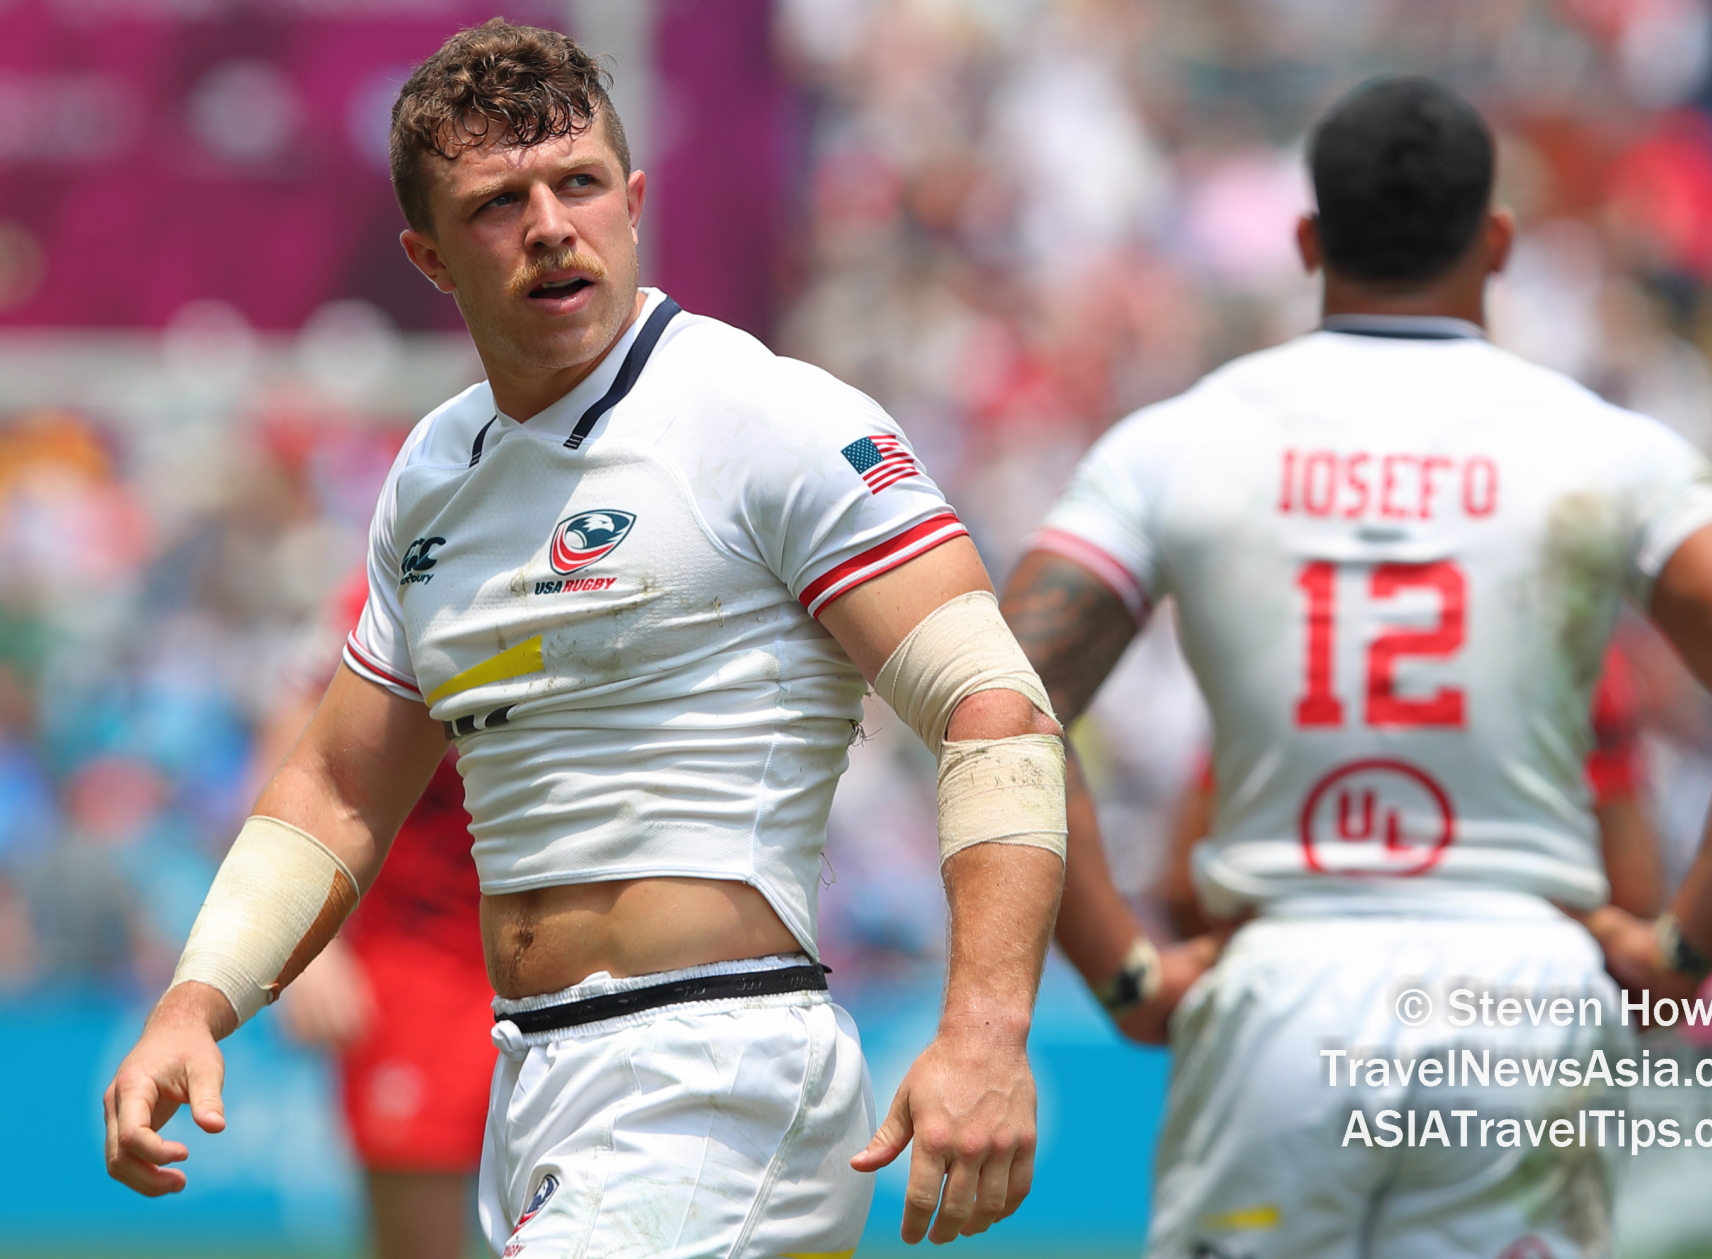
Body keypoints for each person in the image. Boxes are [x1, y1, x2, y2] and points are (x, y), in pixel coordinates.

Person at [103, 21, 1068, 1258]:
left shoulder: (764, 417)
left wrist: (985, 1033)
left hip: (715, 1066)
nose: (552, 223)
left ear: (636, 199)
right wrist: (199, 998)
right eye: (498, 202)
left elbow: (995, 710)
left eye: (580, 183)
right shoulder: (433, 475)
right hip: (538, 1076)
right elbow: (340, 783)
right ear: (429, 257)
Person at [1001, 76, 1712, 1259]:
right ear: (1496, 241)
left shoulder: (1174, 441)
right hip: (1517, 1005)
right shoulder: (1605, 447)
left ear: (1307, 242)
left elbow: (996, 708)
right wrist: (1680, 957)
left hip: (1279, 987)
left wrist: (1123, 966)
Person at [262, 572, 492, 1259]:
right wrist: (305, 941)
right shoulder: (387, 589)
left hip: (585, 950)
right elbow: (297, 763)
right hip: (417, 960)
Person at [1160, 644, 1665, 938]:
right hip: (1511, 1007)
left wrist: (1132, 983)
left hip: (1302, 998)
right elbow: (1632, 896)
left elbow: (1187, 888)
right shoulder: (1572, 643)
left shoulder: (1284, 636)